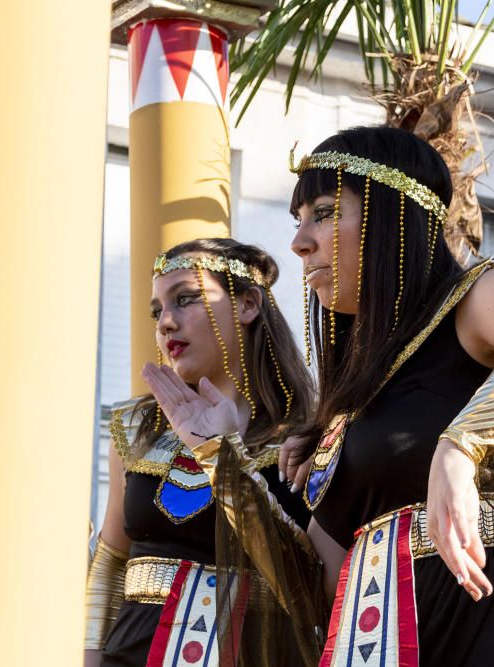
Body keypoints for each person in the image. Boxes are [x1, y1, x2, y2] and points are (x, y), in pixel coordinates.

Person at [147, 125, 494, 666]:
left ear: (393, 216)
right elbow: (311, 588)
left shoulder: (468, 304)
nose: (300, 242)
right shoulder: (346, 404)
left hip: (490, 629)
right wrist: (220, 459)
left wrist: (463, 446)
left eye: (324, 213)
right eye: (298, 222)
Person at [83, 239, 316, 667]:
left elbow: (311, 584)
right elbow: (111, 561)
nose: (165, 323)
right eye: (157, 311)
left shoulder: (309, 436)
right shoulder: (137, 427)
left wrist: (219, 454)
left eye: (185, 300)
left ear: (248, 304)